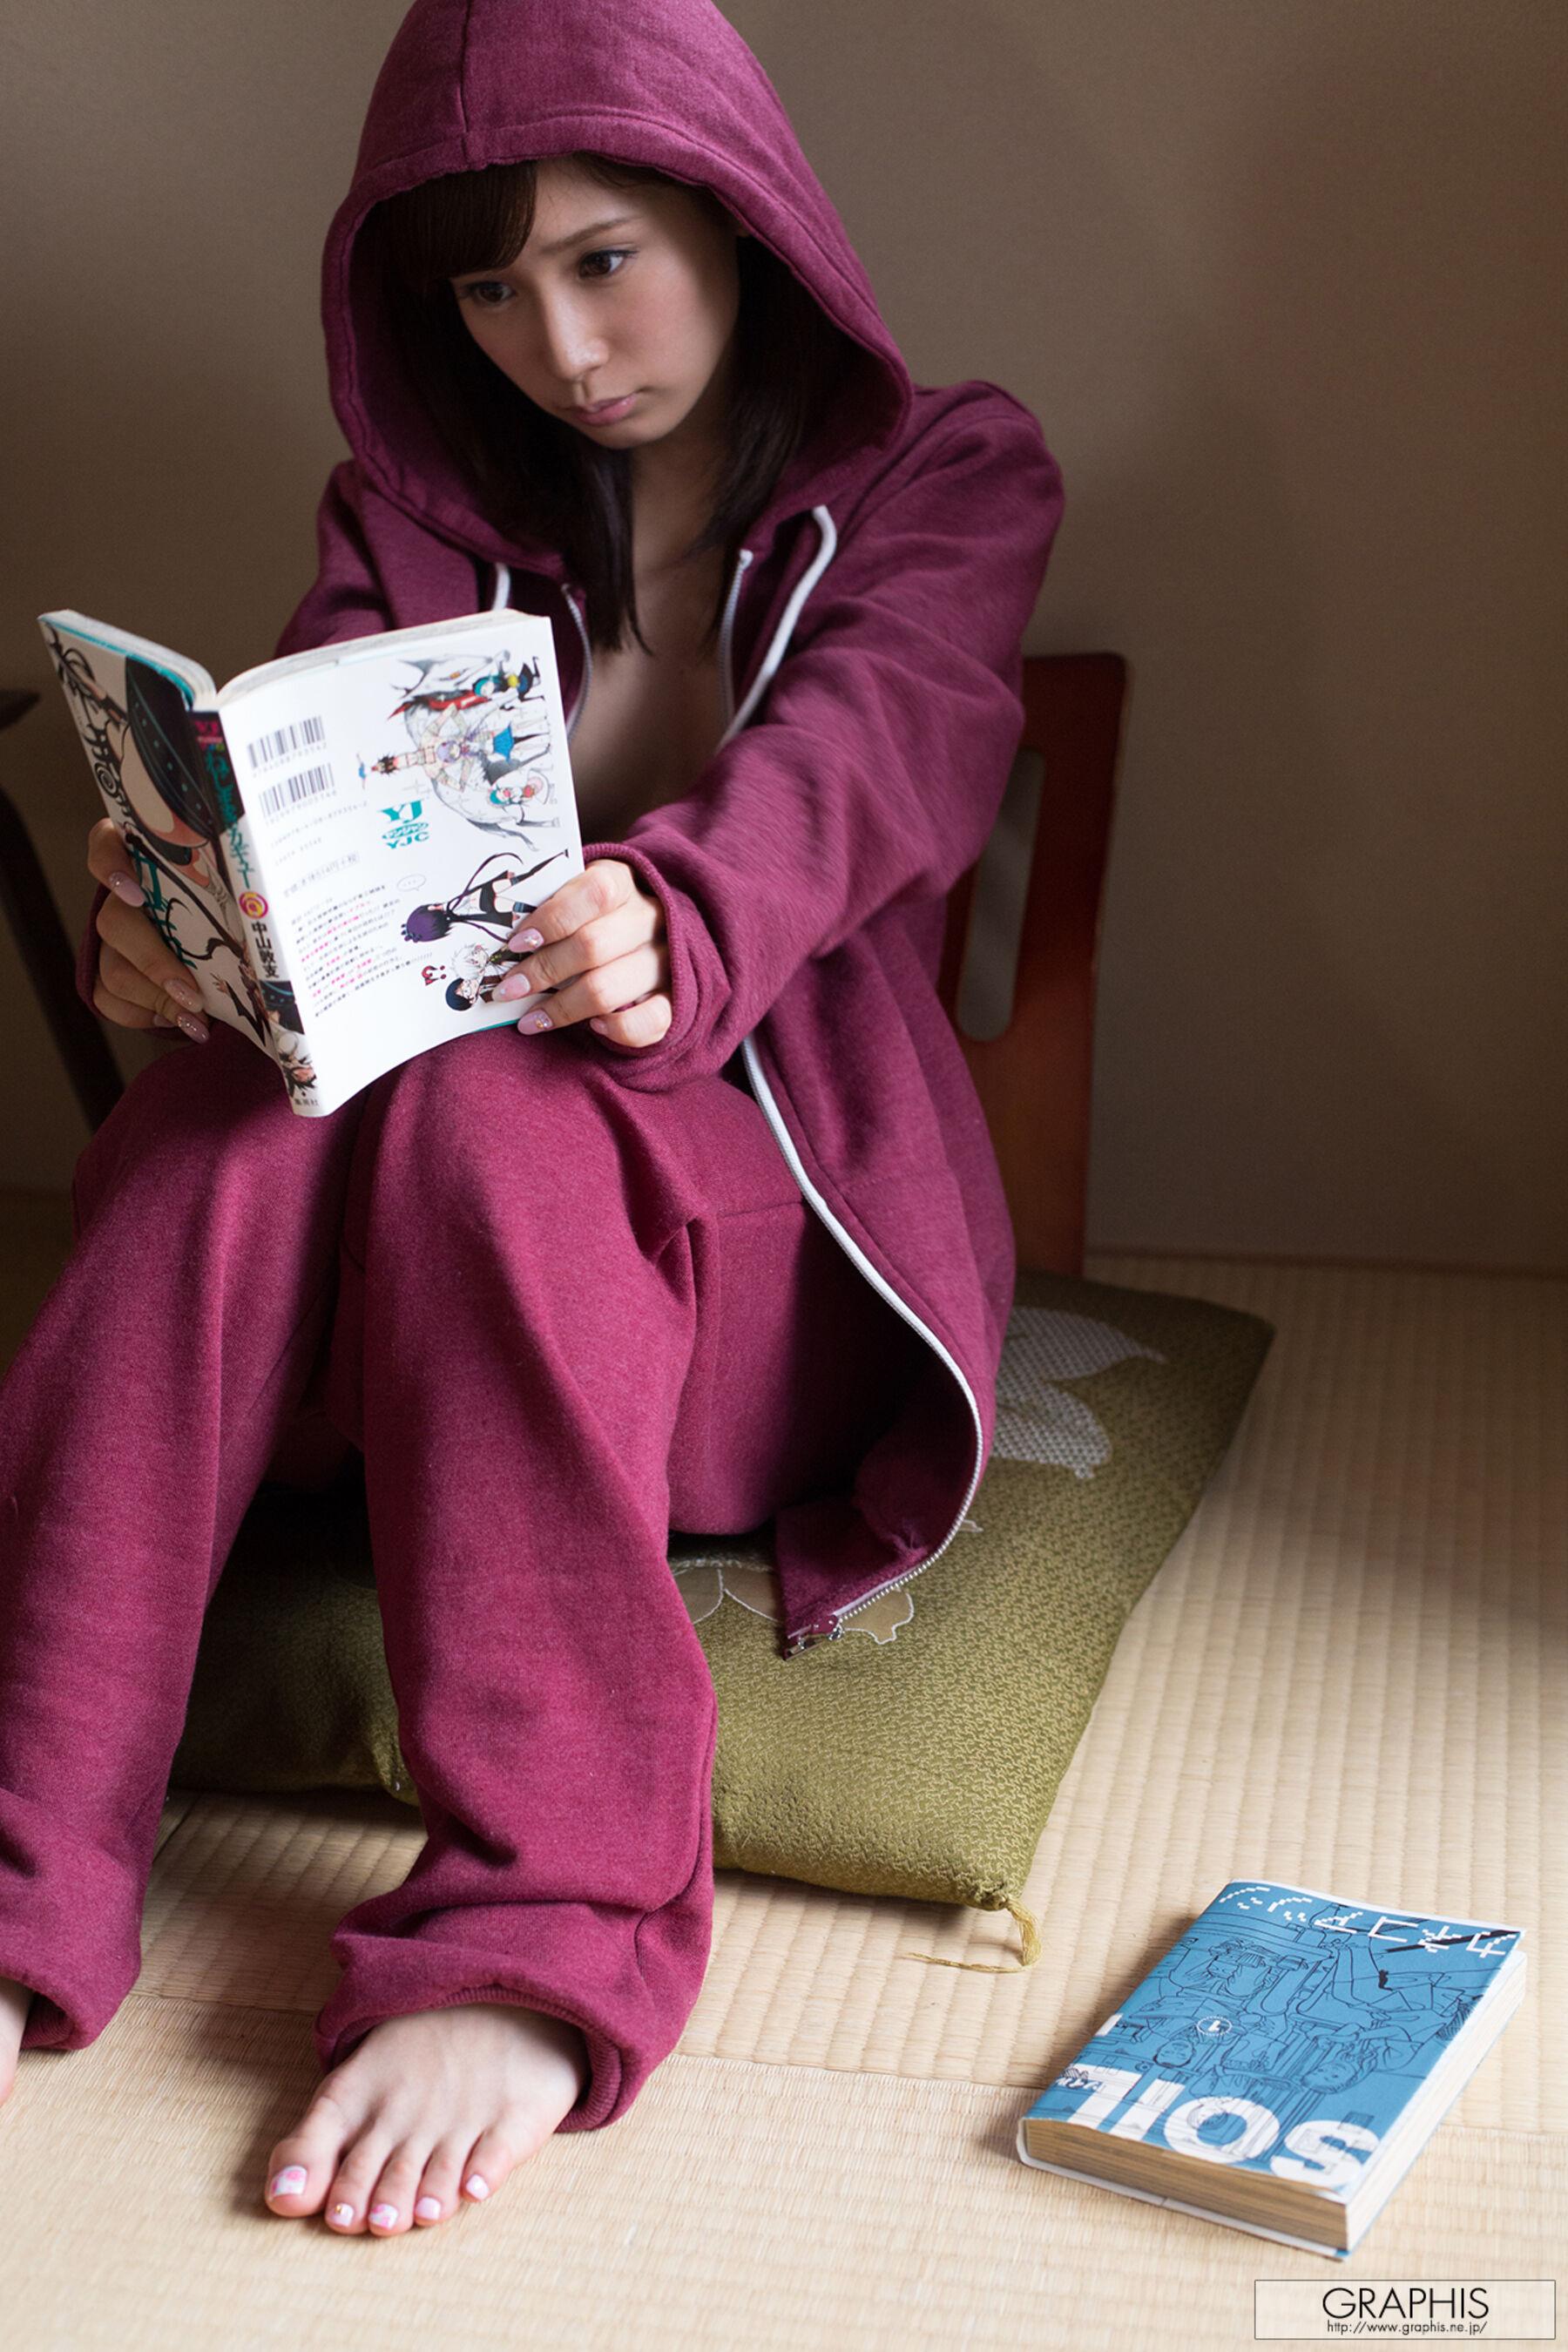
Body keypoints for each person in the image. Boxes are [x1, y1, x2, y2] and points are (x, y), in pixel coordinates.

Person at [0, 0, 1063, 2240]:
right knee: (208, 1130)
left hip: (751, 1253)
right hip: (398, 1288)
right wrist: (185, 928)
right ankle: (21, 1851)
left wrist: (683, 913)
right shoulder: (412, 511)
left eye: (605, 259)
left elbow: (887, 745)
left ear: (738, 214)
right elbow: (316, 805)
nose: (561, 347)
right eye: (491, 288)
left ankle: (546, 1919)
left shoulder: (949, 472)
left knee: (490, 1114)